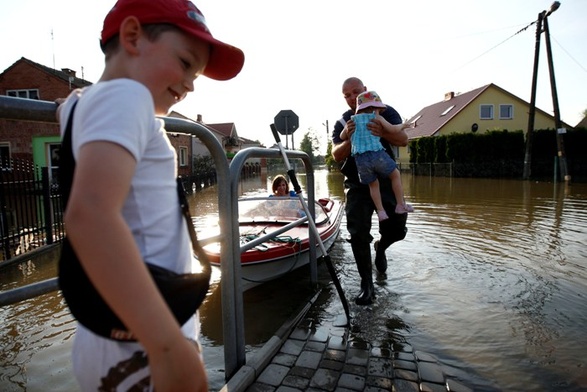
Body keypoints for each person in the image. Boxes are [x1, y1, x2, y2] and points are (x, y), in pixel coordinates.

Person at [57, 0, 244, 390]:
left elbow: (70, 109)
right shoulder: (129, 97)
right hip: (143, 339)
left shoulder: (83, 104)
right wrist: (167, 347)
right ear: (131, 37)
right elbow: (90, 213)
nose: (191, 83)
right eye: (185, 62)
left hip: (118, 326)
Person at [332, 77, 409, 305]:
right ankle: (367, 284)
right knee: (357, 233)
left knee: (397, 228)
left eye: (356, 92)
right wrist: (349, 137)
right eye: (346, 95)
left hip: (385, 180)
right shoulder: (343, 121)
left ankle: (381, 247)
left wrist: (381, 131)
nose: (352, 97)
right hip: (357, 183)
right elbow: (336, 154)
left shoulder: (384, 110)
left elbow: (403, 139)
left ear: (365, 90)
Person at [339, 90, 414, 221]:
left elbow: (342, 136)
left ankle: (381, 212)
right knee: (395, 174)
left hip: (360, 161)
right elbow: (393, 129)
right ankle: (400, 205)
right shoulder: (376, 117)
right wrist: (404, 125)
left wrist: (347, 132)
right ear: (374, 108)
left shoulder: (352, 121)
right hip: (377, 155)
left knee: (373, 185)